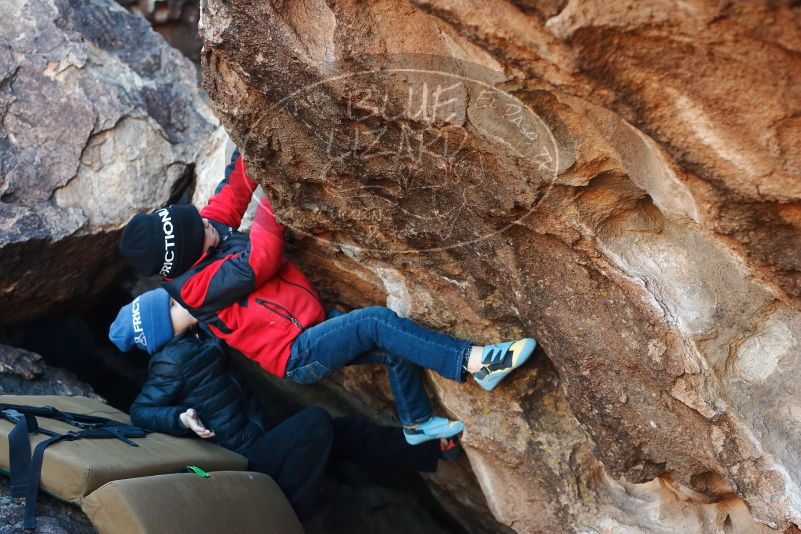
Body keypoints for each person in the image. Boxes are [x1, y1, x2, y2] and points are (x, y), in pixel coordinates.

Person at [117, 148, 537, 444]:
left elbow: (232, 190)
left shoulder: (206, 230)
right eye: (199, 231)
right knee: (375, 322)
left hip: (311, 323)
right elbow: (260, 260)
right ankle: (474, 363)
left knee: (392, 345)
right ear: (188, 256)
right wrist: (271, 201)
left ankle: (416, 422)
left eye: (198, 221)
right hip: (297, 352)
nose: (208, 224)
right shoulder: (195, 288)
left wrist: (254, 139)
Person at [109, 288, 457, 521]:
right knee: (315, 424)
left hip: (258, 435)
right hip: (244, 457)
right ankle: (290, 512)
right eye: (171, 307)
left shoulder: (200, 334)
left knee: (342, 432)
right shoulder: (169, 363)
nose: (181, 302)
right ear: (160, 333)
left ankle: (431, 451)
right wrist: (180, 417)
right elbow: (141, 410)